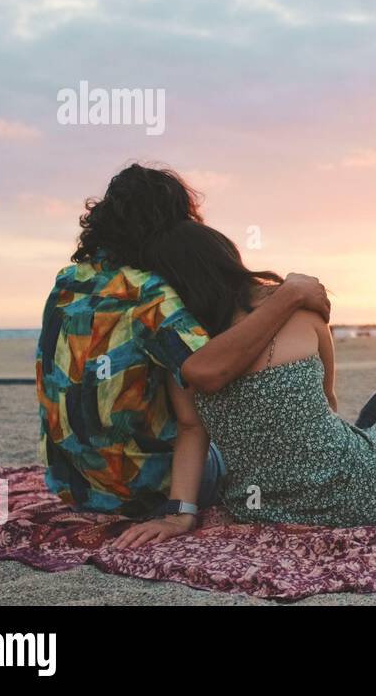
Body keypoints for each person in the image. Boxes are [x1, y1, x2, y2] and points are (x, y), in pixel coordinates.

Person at [35, 164, 331, 546]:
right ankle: (347, 444)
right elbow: (209, 371)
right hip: (144, 494)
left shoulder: (65, 283)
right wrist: (288, 296)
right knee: (238, 430)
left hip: (74, 487)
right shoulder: (149, 294)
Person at [142, 220, 376, 529]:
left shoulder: (186, 352)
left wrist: (179, 514)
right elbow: (328, 402)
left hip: (260, 508)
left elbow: (192, 428)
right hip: (364, 495)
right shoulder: (304, 316)